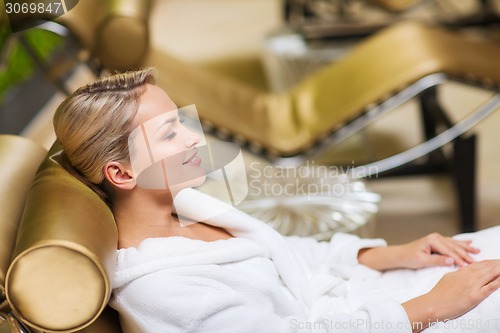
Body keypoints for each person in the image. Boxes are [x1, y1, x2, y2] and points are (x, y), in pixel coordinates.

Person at [52, 68, 500, 333]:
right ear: (122, 172)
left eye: (182, 121)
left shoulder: (187, 208)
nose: (194, 138)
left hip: (365, 300)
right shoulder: (164, 291)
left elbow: (290, 257)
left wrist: (391, 254)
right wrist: (432, 306)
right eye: (170, 132)